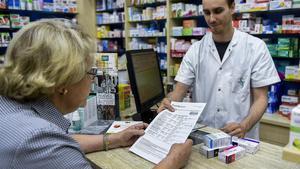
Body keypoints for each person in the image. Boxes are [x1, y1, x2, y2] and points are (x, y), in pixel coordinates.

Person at [0, 19, 192, 169]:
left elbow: (58, 141)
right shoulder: (38, 139)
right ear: (63, 83)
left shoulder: (10, 108)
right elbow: (48, 143)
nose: (93, 79)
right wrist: (172, 162)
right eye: (90, 72)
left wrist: (113, 139)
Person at [158, 0, 280, 140]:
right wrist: (169, 102)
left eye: (218, 11)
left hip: (240, 139)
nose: (211, 19)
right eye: (207, 13)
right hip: (203, 137)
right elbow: (179, 92)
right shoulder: (196, 50)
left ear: (232, 7)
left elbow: (261, 98)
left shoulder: (255, 47)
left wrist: (244, 125)